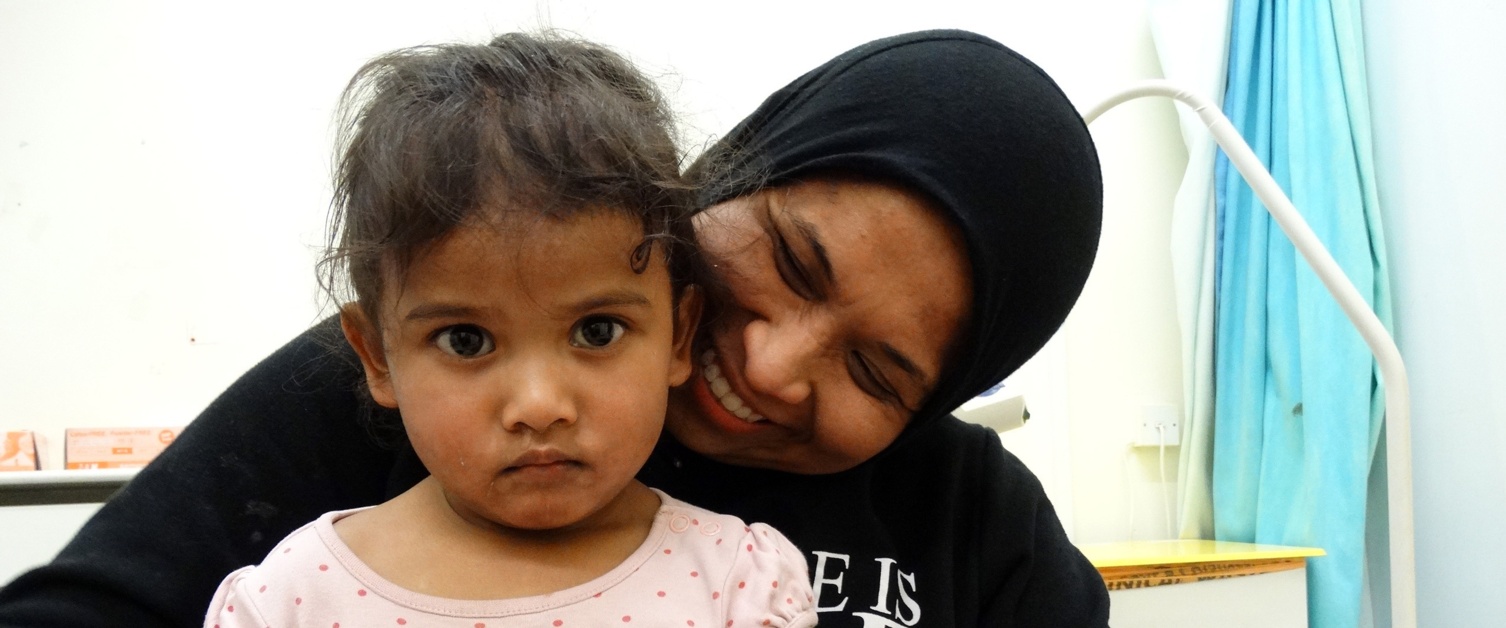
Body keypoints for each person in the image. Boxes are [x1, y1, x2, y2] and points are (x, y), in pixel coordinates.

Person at [0, 29, 1109, 628]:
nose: (771, 365)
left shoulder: (971, 519)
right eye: (790, 258)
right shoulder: (405, 399)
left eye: (876, 368)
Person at [196, 33, 817, 628]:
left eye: (598, 331)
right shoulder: (293, 600)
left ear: (679, 338)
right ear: (377, 356)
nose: (539, 406)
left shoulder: (737, 583)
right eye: (465, 340)